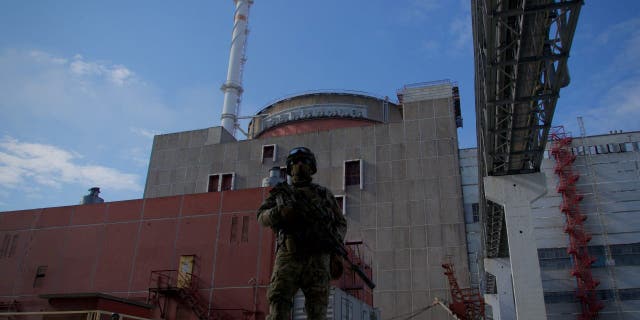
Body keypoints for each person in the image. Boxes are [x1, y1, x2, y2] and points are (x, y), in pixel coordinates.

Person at [257, 147, 347, 320]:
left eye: (304, 162)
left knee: (317, 310)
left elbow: (340, 222)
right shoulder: (281, 194)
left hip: (318, 257)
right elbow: (261, 216)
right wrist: (279, 212)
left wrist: (335, 242)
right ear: (289, 168)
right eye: (295, 162)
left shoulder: (323, 195)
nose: (299, 166)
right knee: (278, 303)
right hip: (289, 254)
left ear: (311, 167)